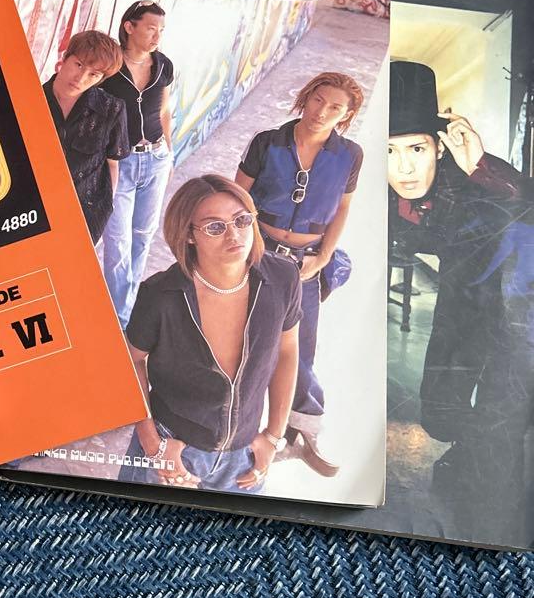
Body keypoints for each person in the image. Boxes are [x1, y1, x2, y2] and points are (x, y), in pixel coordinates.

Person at [388, 60, 534, 543]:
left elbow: (527, 209)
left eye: (416, 148)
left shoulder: (472, 180)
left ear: (438, 146)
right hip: (463, 295)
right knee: (439, 408)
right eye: (389, 151)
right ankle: (469, 455)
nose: (404, 168)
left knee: (502, 420)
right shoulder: (378, 191)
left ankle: (492, 529)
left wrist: (479, 166)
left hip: (520, 304)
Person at [119, 174, 301, 494]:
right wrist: (152, 444)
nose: (234, 234)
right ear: (189, 235)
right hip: (172, 449)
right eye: (215, 227)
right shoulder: (161, 295)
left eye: (242, 220)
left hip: (243, 459)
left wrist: (274, 436)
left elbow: (287, 350)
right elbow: (130, 360)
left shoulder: (282, 278)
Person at [235, 71, 364, 477]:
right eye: (318, 100)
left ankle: (302, 430)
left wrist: (323, 257)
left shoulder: (350, 155)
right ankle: (241, 432)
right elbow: (237, 197)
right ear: (306, 97)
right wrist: (246, 248)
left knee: (300, 348)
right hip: (258, 253)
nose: (321, 112)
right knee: (247, 341)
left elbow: (343, 207)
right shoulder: (267, 141)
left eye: (335, 108)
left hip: (305, 263)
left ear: (346, 115)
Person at [100, 0, 175, 326]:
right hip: (121, 162)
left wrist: (169, 153)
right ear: (129, 27)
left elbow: (164, 111)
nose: (157, 36)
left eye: (161, 30)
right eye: (151, 28)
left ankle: (126, 307)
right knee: (117, 241)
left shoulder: (163, 65)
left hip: (156, 159)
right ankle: (120, 319)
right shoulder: (110, 66)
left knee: (143, 235)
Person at [43, 31, 130, 243]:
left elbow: (112, 163)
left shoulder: (112, 109)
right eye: (79, 65)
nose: (81, 78)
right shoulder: (29, 100)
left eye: (94, 74)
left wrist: (104, 211)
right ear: (65, 57)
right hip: (36, 214)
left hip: (85, 216)